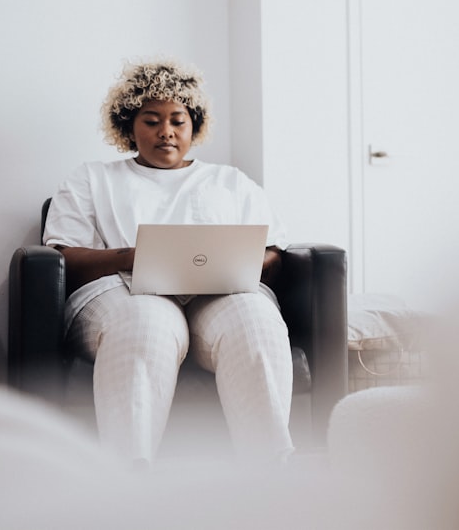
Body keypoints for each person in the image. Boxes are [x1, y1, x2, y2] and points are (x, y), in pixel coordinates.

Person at [43, 58, 293, 467]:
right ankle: (130, 477)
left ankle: (270, 473)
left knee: (255, 320)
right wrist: (134, 257)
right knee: (146, 324)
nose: (166, 132)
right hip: (124, 291)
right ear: (128, 126)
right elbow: (62, 256)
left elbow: (275, 252)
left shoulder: (230, 182)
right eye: (151, 120)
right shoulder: (92, 179)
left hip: (219, 292)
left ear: (194, 124)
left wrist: (242, 262)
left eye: (178, 120)